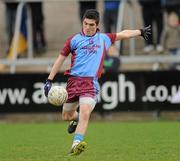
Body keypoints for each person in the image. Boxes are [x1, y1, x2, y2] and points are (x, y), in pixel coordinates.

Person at [44, 9, 151, 156]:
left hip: (90, 84)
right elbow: (60, 59)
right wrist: (49, 80)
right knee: (66, 116)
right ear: (83, 22)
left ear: (97, 25)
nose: (88, 27)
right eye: (85, 24)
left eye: (91, 25)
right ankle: (74, 120)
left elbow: (123, 34)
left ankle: (76, 144)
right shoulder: (73, 40)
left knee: (85, 112)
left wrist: (139, 31)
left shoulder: (104, 39)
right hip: (73, 82)